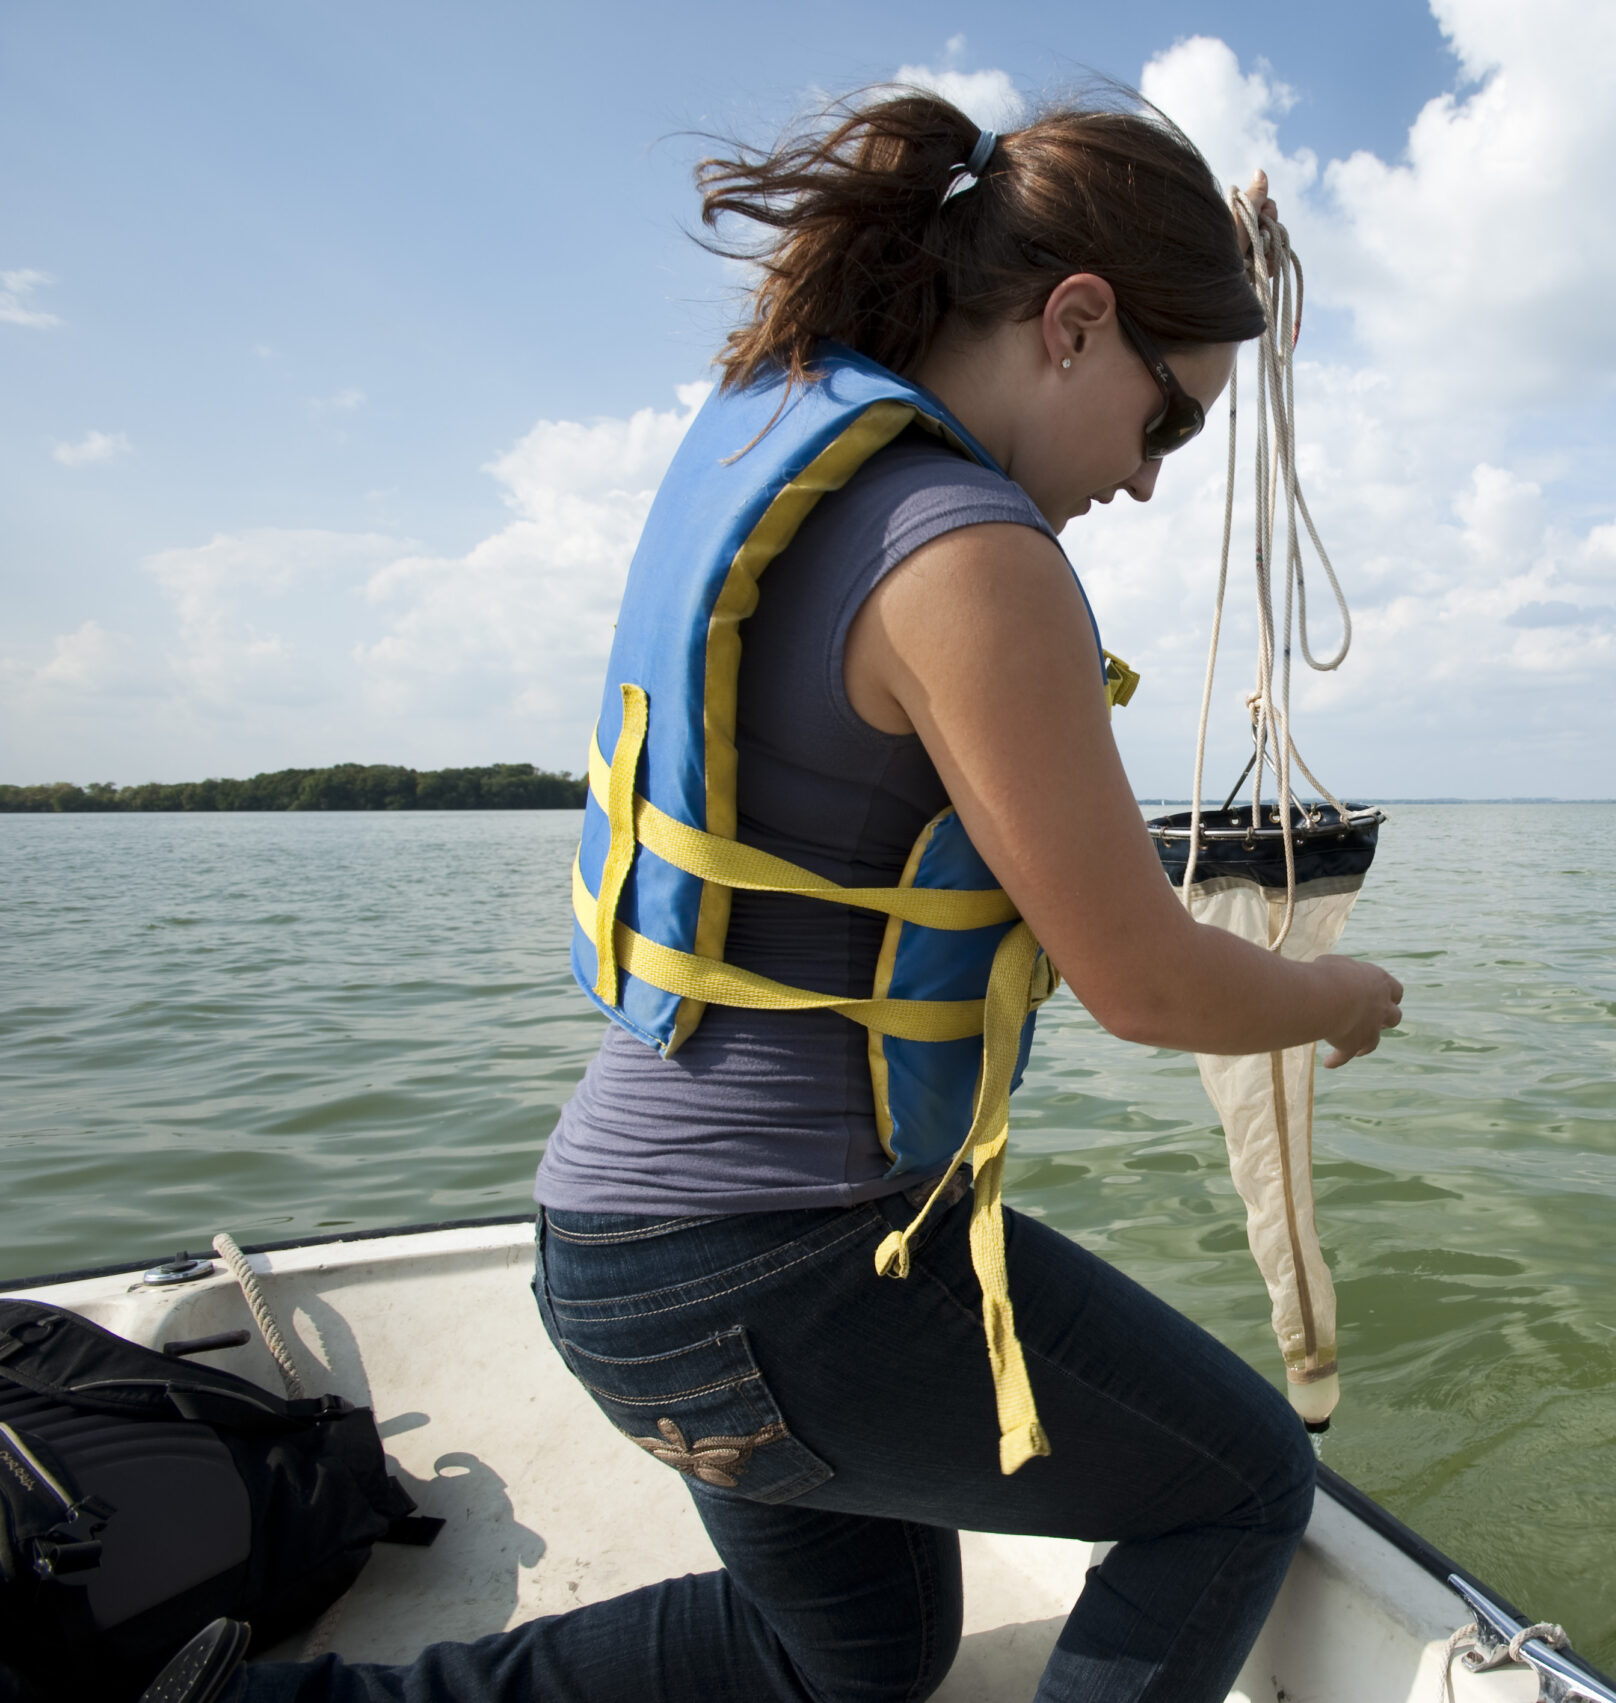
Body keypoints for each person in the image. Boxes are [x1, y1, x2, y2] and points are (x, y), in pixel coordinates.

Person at [172, 86, 1403, 1703]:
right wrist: (1339, 996)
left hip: (619, 1250)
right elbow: (1148, 981)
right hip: (779, 1270)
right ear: (1076, 322)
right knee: (1239, 1484)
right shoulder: (974, 554)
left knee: (851, 1658)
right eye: (1170, 420)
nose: (1157, 479)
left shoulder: (794, 440)